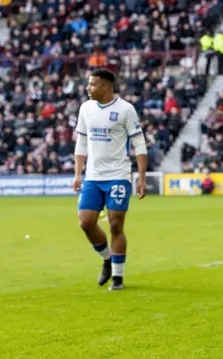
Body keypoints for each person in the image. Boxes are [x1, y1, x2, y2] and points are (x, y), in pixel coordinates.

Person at [73, 68, 148, 291]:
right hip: (93, 176)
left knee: (116, 223)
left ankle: (117, 277)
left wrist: (141, 178)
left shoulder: (126, 109)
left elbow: (139, 143)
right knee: (85, 222)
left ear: (105, 87)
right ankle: (107, 259)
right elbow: (82, 142)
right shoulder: (85, 108)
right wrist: (78, 173)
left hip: (118, 174)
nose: (88, 88)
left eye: (92, 84)